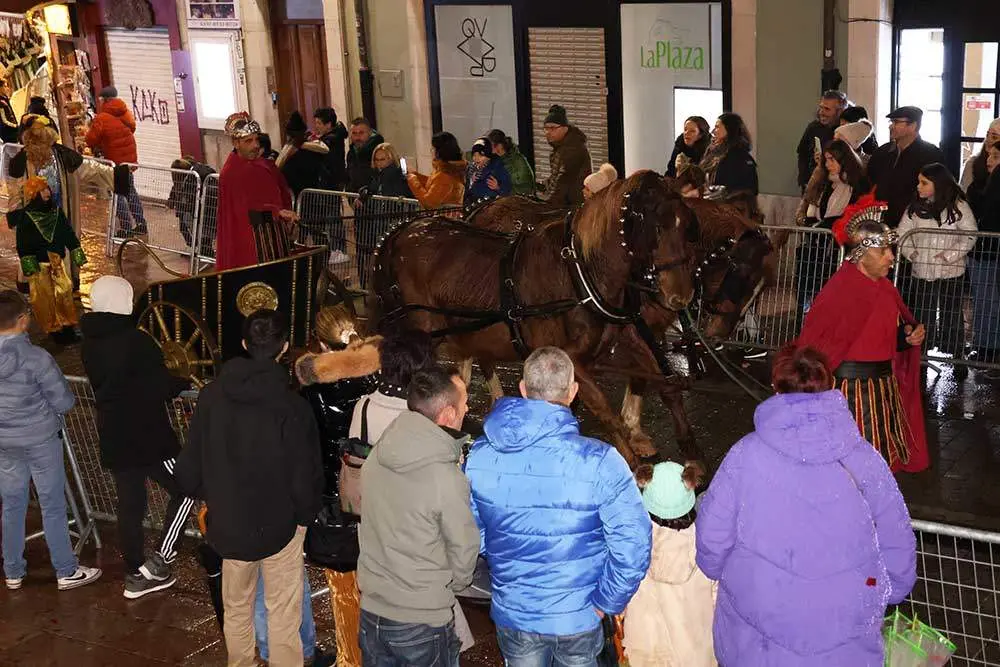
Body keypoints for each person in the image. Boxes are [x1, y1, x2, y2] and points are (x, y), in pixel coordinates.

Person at [696, 343, 916, 666]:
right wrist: (880, 591)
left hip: (757, 642)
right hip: (846, 637)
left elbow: (711, 542)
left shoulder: (744, 456)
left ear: (775, 388)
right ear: (831, 386)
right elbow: (898, 544)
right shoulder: (866, 461)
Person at [466, 346, 652, 667]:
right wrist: (607, 599)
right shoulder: (601, 460)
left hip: (515, 611)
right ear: (573, 392)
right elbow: (633, 543)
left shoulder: (481, 455)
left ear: (523, 389)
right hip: (578, 616)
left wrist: (504, 558)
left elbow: (470, 531)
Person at [175, 309, 324, 667]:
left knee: (237, 608)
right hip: (280, 527)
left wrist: (209, 495)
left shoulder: (211, 397)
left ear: (243, 344)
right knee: (283, 615)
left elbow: (189, 467)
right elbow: (306, 476)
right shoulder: (293, 406)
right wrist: (304, 517)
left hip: (229, 523)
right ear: (285, 347)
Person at [79, 275, 194, 599]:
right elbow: (158, 385)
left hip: (114, 434)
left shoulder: (89, 342)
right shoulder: (137, 341)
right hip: (150, 436)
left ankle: (133, 567)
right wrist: (180, 382)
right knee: (188, 487)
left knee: (130, 503)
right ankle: (159, 562)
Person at [796, 195, 930, 473]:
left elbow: (882, 338)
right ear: (860, 254)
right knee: (846, 468)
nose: (892, 257)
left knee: (880, 468)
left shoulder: (885, 288)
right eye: (883, 251)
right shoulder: (839, 291)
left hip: (883, 392)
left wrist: (906, 337)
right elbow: (817, 345)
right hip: (849, 395)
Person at [358, 365, 480, 667]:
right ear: (449, 415)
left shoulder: (378, 456)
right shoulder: (445, 477)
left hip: (372, 612)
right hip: (421, 622)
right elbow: (463, 552)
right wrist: (451, 586)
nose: (467, 410)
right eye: (464, 404)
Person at [0, 290, 102, 592]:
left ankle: (13, 571)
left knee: (12, 504)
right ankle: (65, 569)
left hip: (5, 442)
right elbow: (64, 401)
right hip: (41, 439)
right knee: (53, 504)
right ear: (21, 321)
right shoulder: (36, 358)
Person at [623, 462, 716, 667]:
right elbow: (718, 597)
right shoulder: (706, 546)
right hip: (697, 652)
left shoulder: (633, 548)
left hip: (650, 653)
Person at [897, 163, 977, 359]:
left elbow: (970, 234)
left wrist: (949, 256)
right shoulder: (914, 208)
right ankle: (921, 354)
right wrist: (913, 254)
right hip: (922, 269)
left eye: (924, 183)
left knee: (952, 314)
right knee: (923, 313)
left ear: (938, 184)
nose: (918, 186)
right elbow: (902, 234)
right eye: (919, 182)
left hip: (951, 270)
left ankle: (956, 354)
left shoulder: (958, 206)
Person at [794, 139, 870, 327]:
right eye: (826, 160)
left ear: (844, 161)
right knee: (809, 291)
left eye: (832, 160)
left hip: (837, 251)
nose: (828, 164)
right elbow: (815, 211)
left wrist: (822, 225)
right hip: (816, 249)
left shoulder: (856, 186)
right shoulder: (825, 184)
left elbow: (851, 218)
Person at [214, 111, 297, 271]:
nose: (256, 145)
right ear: (236, 143)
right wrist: (277, 211)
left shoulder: (260, 164)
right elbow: (243, 207)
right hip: (252, 241)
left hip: (271, 234)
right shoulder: (232, 172)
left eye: (256, 139)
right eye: (248, 141)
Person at [7, 176, 86, 344]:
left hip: (56, 263)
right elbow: (23, 242)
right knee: (45, 298)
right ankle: (54, 329)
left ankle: (67, 324)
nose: (47, 192)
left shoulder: (56, 212)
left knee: (64, 291)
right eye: (42, 190)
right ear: (34, 194)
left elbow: (67, 232)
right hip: (40, 266)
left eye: (47, 188)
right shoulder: (27, 216)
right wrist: (29, 265)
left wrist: (75, 250)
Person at [867, 106, 947, 227]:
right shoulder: (883, 152)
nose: (891, 126)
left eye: (896, 122)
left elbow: (937, 189)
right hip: (880, 220)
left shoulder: (930, 154)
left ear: (913, 125)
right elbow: (871, 180)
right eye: (891, 122)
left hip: (913, 221)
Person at [86, 86, 147, 237]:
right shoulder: (125, 112)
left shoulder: (102, 118)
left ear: (104, 100)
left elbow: (91, 139)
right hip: (128, 160)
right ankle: (141, 224)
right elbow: (131, 128)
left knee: (117, 192)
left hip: (115, 161)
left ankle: (126, 227)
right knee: (130, 191)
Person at [966, 141, 1000, 370]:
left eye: (996, 156)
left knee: (989, 300)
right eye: (989, 154)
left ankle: (990, 347)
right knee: (983, 299)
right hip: (984, 250)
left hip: (989, 250)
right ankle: (985, 344)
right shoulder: (983, 184)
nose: (989, 159)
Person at [540, 104, 592, 207]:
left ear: (565, 128)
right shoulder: (560, 147)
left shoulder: (573, 150)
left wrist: (545, 205)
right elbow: (556, 178)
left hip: (572, 207)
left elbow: (562, 182)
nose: (548, 132)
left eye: (552, 128)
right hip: (565, 204)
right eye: (546, 128)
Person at [796, 90, 848, 192]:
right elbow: (802, 153)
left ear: (840, 111)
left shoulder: (848, 131)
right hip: (813, 185)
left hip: (838, 187)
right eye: (821, 107)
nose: (821, 112)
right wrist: (804, 180)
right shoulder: (813, 128)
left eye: (827, 109)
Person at [167, 155, 216, 257]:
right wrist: (171, 202)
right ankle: (198, 248)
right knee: (186, 229)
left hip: (197, 209)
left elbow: (192, 196)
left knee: (201, 230)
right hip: (187, 209)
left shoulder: (195, 176)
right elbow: (175, 188)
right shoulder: (184, 175)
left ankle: (204, 250)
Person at [700, 113, 758, 195]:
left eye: (717, 127)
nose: (713, 131)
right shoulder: (714, 154)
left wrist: (700, 192)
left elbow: (735, 190)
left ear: (730, 129)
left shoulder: (739, 158)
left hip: (727, 206)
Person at [406, 132, 467, 210]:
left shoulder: (446, 175)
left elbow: (429, 203)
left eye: (433, 148)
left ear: (440, 151)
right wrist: (416, 175)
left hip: (443, 219)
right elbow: (432, 184)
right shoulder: (446, 170)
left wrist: (413, 180)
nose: (431, 151)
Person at [276, 110, 330, 196]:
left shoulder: (292, 152)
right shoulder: (314, 147)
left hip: (301, 196)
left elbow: (280, 170)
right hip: (317, 194)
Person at [464, 137, 512, 207]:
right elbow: (466, 191)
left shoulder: (497, 168)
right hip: (473, 205)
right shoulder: (471, 169)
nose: (476, 158)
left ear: (488, 156)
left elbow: (508, 188)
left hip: (491, 206)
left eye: (481, 155)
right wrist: (471, 182)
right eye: (474, 155)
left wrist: (498, 187)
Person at [487, 129, 534, 195]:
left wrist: (498, 187)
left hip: (519, 199)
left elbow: (523, 188)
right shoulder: (495, 157)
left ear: (499, 146)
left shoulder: (517, 160)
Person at [313, 107, 348, 190]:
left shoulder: (333, 139)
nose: (316, 126)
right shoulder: (334, 135)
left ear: (328, 124)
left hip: (331, 181)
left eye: (319, 123)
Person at [346, 117, 385, 193]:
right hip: (355, 200)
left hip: (374, 199)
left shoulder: (379, 152)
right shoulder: (351, 153)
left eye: (361, 133)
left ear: (370, 133)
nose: (357, 137)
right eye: (354, 133)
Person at [961, 117, 1000, 191]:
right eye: (987, 135)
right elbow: (963, 196)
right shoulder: (972, 163)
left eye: (994, 137)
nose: (988, 140)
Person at [0, 78, 18, 144]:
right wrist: (15, 126)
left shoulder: (5, 99)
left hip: (13, 131)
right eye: (5, 86)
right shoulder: (1, 102)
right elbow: (4, 120)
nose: (7, 88)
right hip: (8, 133)